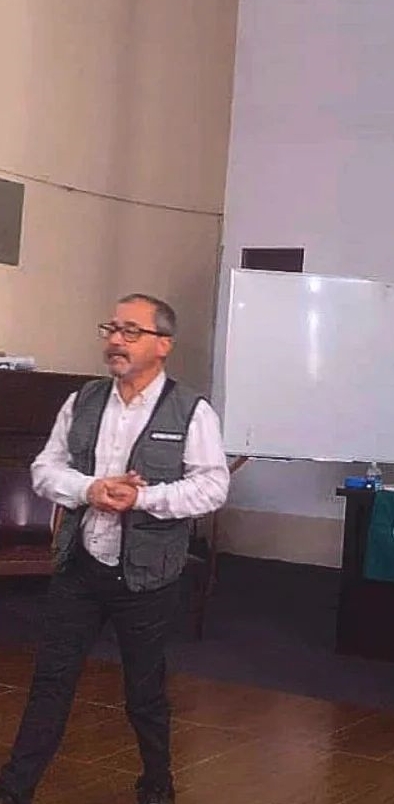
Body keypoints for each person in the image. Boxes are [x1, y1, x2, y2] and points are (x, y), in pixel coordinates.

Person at [0, 294, 230, 804]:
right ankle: (15, 788)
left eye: (131, 331)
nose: (115, 341)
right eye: (111, 329)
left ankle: (156, 786)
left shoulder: (191, 410)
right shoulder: (82, 401)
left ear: (163, 344)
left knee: (144, 693)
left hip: (147, 578)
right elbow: (45, 469)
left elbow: (213, 487)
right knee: (51, 681)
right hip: (80, 566)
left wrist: (143, 498)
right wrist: (90, 490)